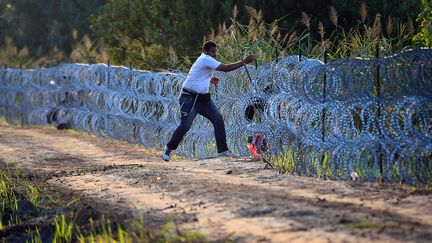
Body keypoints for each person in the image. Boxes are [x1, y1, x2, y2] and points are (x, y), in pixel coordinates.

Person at [162, 41, 256, 161]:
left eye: (215, 52)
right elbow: (225, 69)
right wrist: (244, 62)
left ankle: (223, 150)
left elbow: (197, 74)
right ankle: (169, 148)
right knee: (185, 125)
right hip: (190, 97)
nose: (214, 54)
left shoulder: (205, 60)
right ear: (205, 51)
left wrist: (210, 78)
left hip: (204, 99)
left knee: (218, 119)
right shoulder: (205, 58)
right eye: (212, 52)